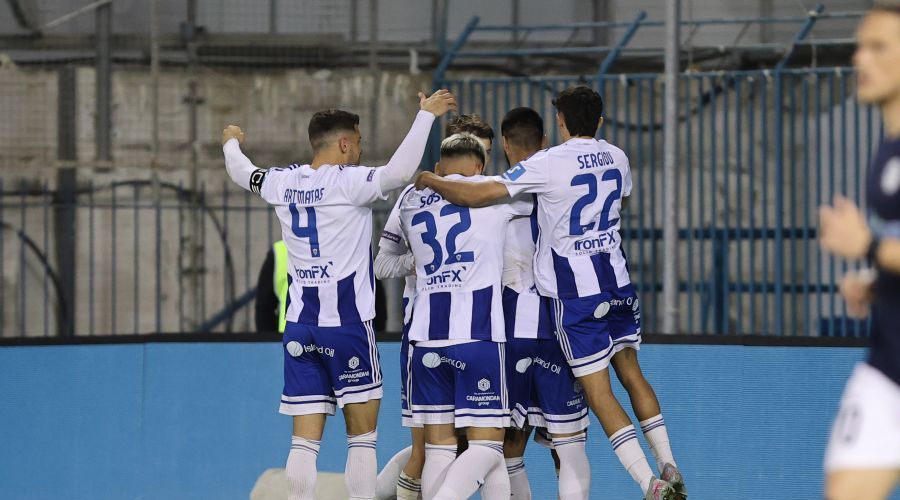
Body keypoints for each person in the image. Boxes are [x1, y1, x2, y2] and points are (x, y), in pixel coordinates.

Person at [415, 86, 684, 500]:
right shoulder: (617, 156)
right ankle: (668, 463)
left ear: (559, 124)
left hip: (545, 313)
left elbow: (477, 196)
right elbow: (622, 202)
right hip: (611, 286)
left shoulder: (541, 169)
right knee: (596, 413)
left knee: (504, 444)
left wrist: (429, 178)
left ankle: (650, 483)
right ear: (599, 121)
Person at [221, 89, 457, 500]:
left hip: (300, 328)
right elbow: (400, 171)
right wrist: (426, 116)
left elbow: (241, 171)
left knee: (303, 443)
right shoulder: (349, 182)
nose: (360, 151)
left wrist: (230, 141)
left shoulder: (281, 182)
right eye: (359, 143)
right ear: (344, 144)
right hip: (347, 327)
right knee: (361, 439)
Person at [401, 133, 532, 499]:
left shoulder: (410, 200)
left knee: (439, 450)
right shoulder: (494, 196)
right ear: (479, 165)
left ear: (441, 165)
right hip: (478, 336)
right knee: (488, 447)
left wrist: (432, 180)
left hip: (425, 337)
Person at [373, 114, 497, 500]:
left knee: (455, 446)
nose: (483, 162)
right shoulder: (492, 195)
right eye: (478, 152)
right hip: (435, 327)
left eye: (487, 152)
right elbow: (381, 264)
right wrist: (421, 262)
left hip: (454, 331)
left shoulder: (425, 197)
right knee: (430, 448)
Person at [819, 4, 900, 499]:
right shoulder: (888, 147)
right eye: (859, 46)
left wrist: (867, 246)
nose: (859, 58)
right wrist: (878, 281)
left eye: (878, 47)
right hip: (889, 367)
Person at [498, 107, 591, 500]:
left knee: (508, 444)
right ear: (546, 143)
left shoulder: (490, 196)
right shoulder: (565, 193)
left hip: (510, 332)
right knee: (567, 446)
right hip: (561, 331)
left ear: (505, 145)